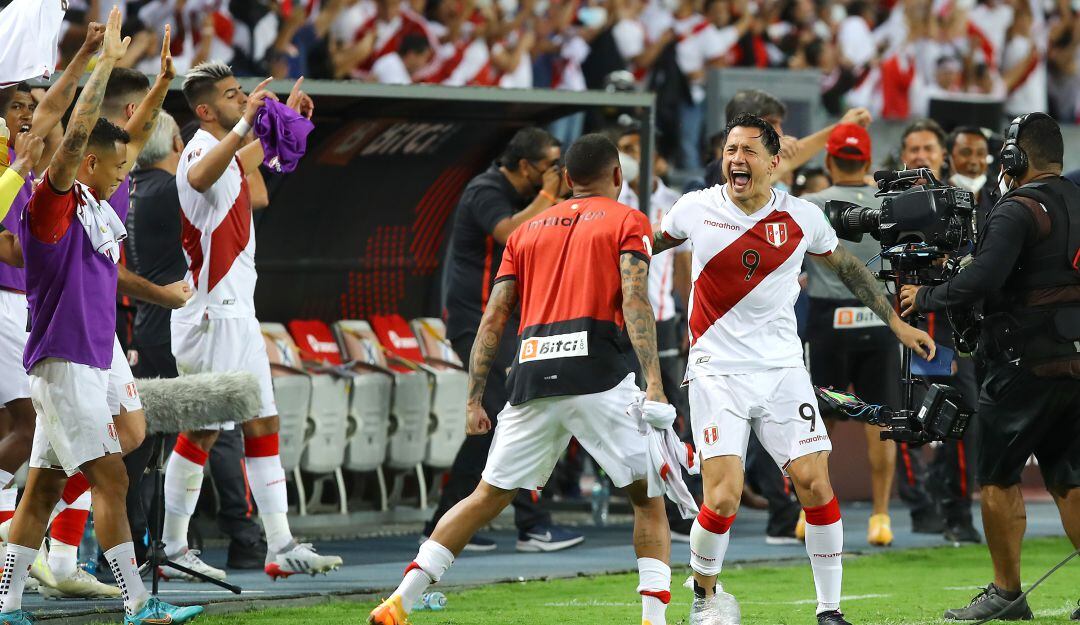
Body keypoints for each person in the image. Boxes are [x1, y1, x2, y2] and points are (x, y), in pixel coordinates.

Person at [370, 133, 675, 625]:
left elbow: (492, 319)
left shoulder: (526, 232)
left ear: (567, 179)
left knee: (486, 496)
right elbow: (635, 298)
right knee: (648, 498)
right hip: (599, 372)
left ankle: (401, 598)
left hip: (531, 372)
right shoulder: (627, 219)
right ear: (618, 176)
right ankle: (652, 619)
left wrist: (474, 400)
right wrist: (655, 384)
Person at [653, 113, 935, 625]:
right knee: (723, 495)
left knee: (816, 484)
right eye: (730, 150)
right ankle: (704, 594)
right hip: (718, 369)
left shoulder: (803, 216)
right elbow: (646, 244)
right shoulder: (694, 208)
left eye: (748, 151)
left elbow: (848, 267)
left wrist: (896, 323)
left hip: (783, 369)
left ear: (774, 161)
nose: (736, 160)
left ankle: (830, 610)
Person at [0, 9, 203, 625]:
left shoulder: (101, 191)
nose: (127, 174)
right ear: (82, 163)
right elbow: (81, 130)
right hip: (64, 358)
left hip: (95, 353)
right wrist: (101, 63)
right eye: (115, 166)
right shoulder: (50, 205)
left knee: (44, 488)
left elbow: (128, 139)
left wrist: (163, 82)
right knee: (111, 479)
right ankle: (139, 603)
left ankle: (4, 603)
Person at [162, 60, 342, 582]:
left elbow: (258, 187)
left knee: (263, 424)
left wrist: (282, 117)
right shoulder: (197, 148)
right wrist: (249, 126)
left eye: (243, 93)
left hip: (238, 313)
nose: (242, 99)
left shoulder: (229, 155)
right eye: (232, 94)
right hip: (212, 315)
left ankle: (281, 544)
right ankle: (173, 546)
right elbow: (200, 174)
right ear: (204, 110)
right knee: (201, 433)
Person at [899, 112, 1080, 622]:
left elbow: (982, 278)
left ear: (1015, 157)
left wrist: (926, 294)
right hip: (1073, 359)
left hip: (1022, 362)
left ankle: (1006, 592)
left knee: (998, 477)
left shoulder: (1017, 207)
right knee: (1069, 477)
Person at [125, 112, 267, 571]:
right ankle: (235, 538)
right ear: (176, 146)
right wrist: (259, 127)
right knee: (210, 428)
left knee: (145, 441)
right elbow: (256, 190)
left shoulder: (137, 188)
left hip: (151, 325)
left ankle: (146, 545)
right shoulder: (176, 187)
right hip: (184, 318)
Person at [434, 126, 583, 553]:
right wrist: (548, 196)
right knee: (517, 409)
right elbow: (508, 232)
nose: (555, 172)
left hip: (508, 320)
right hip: (475, 318)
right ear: (524, 166)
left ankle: (443, 518)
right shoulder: (486, 188)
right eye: (549, 165)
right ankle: (532, 523)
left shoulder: (529, 195)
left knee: (492, 417)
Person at [801, 123, 899, 547]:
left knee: (818, 419)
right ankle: (881, 515)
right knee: (880, 418)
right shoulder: (890, 204)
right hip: (881, 320)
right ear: (869, 162)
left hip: (829, 320)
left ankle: (811, 513)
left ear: (829, 160)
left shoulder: (810, 204)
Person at [895, 119, 981, 543]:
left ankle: (959, 512)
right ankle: (920, 505)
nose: (920, 156)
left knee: (959, 413)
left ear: (941, 155)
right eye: (913, 149)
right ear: (902, 156)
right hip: (898, 326)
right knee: (901, 416)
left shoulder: (958, 205)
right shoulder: (886, 206)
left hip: (948, 329)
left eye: (928, 148)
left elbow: (973, 260)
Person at [617, 124, 694, 538]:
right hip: (619, 322)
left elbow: (683, 266)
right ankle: (633, 497)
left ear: (658, 159)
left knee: (670, 412)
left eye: (635, 148)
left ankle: (680, 503)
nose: (628, 156)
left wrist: (687, 319)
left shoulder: (674, 203)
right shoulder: (614, 199)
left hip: (662, 321)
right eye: (623, 149)